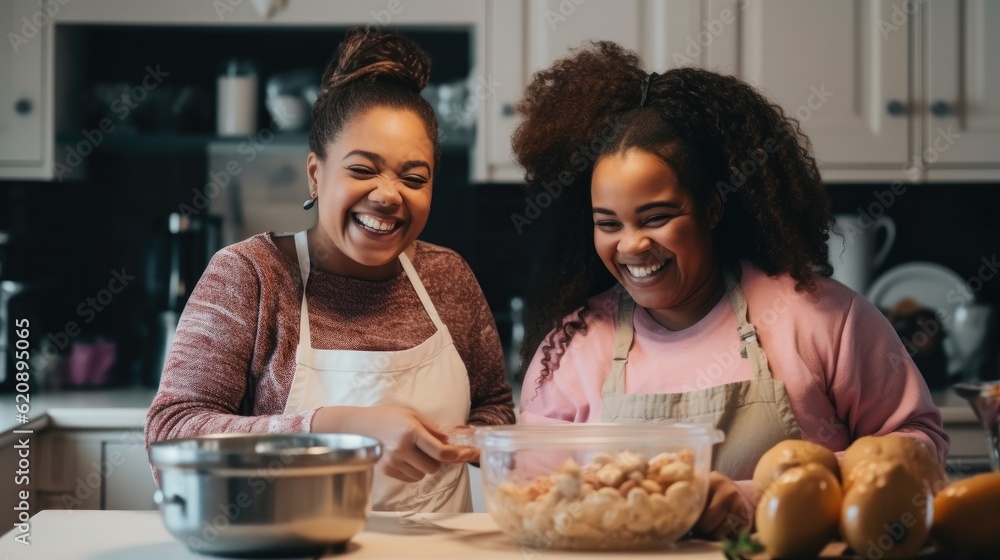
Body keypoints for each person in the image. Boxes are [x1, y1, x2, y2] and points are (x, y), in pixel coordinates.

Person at [511, 41, 948, 537]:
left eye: (657, 217)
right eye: (608, 223)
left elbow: (918, 448)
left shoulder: (820, 318)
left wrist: (756, 500)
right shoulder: (574, 347)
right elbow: (534, 490)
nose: (631, 245)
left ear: (712, 210)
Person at [145, 27, 515, 513]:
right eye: (362, 170)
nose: (387, 194)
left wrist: (468, 440)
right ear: (316, 174)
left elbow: (495, 408)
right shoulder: (252, 275)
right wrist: (338, 426)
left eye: (414, 177)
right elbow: (170, 434)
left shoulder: (448, 277)